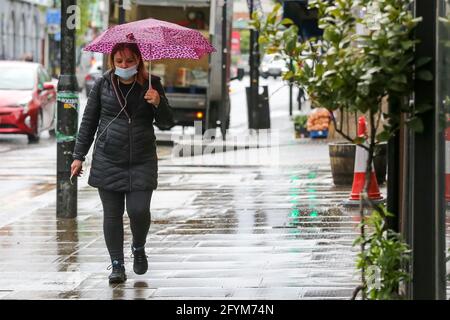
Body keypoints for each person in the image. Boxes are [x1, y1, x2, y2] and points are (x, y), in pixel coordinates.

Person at [71, 42, 174, 284]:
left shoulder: (152, 83)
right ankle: (117, 265)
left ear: (138, 60)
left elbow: (168, 123)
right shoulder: (102, 84)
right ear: (112, 62)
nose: (124, 66)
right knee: (112, 214)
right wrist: (78, 155)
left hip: (142, 158)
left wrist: (158, 102)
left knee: (138, 210)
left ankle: (138, 247)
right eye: (119, 62)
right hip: (108, 157)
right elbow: (88, 121)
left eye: (129, 61)